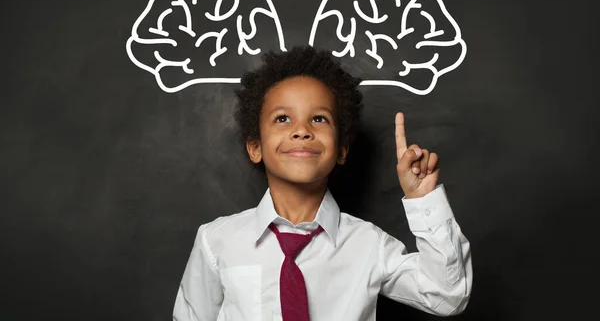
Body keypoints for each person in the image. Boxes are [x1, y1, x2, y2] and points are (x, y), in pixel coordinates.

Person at [173, 46, 472, 320]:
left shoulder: (369, 245)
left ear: (341, 149)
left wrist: (423, 200)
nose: (301, 130)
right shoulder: (216, 242)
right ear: (255, 147)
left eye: (318, 119)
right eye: (282, 119)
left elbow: (447, 295)